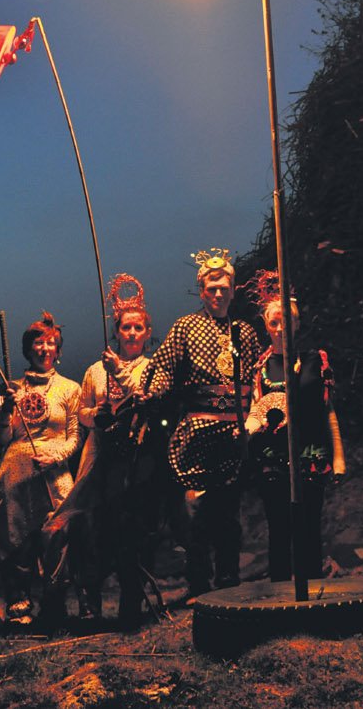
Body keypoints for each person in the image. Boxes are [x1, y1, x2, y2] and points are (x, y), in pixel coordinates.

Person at [144, 248, 262, 601]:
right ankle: (199, 585)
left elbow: (258, 378)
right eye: (211, 287)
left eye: (224, 287)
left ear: (233, 289)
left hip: (237, 433)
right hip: (198, 432)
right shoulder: (185, 327)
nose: (218, 293)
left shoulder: (245, 332)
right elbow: (163, 368)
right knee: (196, 513)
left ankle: (229, 582)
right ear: (201, 289)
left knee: (230, 513)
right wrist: (152, 389)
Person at [53, 274, 164, 627]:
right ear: (116, 331)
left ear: (147, 334)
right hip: (99, 459)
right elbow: (82, 413)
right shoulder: (95, 370)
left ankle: (133, 601)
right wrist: (95, 417)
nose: (131, 334)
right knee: (92, 527)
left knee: (134, 529)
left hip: (137, 461)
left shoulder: (154, 369)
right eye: (125, 328)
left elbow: (154, 403)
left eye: (138, 328)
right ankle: (89, 603)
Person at [244, 271, 346, 582]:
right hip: (273, 462)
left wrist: (339, 457)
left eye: (287, 321)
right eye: (274, 322)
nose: (280, 328)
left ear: (297, 323)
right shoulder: (260, 369)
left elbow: (329, 411)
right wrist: (250, 425)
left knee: (309, 527)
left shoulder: (317, 360)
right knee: (278, 529)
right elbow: (254, 410)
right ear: (266, 326)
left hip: (310, 456)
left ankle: (312, 599)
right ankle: (279, 601)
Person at [0, 312, 82, 628]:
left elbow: (75, 437)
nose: (44, 349)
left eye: (51, 343)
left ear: (59, 350)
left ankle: (54, 605)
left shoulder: (70, 388)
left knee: (58, 538)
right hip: (15, 472)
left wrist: (56, 456)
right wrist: (8, 408)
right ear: (29, 349)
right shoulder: (10, 388)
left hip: (55, 474)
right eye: (38, 343)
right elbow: (0, 439)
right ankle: (18, 605)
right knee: (16, 540)